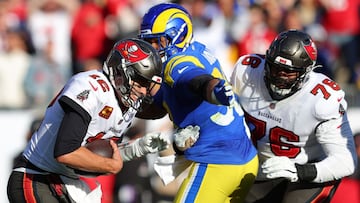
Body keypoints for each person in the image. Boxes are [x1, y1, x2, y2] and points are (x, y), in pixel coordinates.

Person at [7, 38, 171, 203]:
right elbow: (66, 152)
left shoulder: (126, 107)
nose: (143, 91)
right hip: (35, 177)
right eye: (140, 81)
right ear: (120, 72)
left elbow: (100, 154)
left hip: (65, 182)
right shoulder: (91, 87)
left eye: (147, 85)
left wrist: (136, 148)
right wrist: (111, 166)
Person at [138, 3, 258, 203]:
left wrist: (214, 90)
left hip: (216, 163)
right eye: (148, 42)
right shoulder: (199, 49)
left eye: (157, 41)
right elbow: (162, 104)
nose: (152, 49)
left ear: (176, 35)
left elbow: (197, 80)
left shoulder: (175, 64)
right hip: (245, 161)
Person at [230, 29, 357, 203]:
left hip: (309, 170)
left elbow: (346, 161)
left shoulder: (322, 99)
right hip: (261, 166)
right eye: (275, 69)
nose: (278, 78)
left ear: (306, 72)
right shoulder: (247, 71)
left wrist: (300, 171)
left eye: (288, 72)